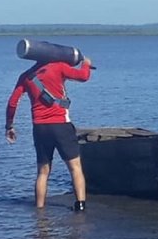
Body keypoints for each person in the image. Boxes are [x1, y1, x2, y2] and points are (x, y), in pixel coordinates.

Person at [5, 57, 92, 210]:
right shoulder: (59, 67)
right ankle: (80, 207)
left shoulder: (26, 76)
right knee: (75, 167)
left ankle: (39, 210)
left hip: (40, 128)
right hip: (61, 125)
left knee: (43, 172)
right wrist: (86, 64)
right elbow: (83, 77)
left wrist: (9, 126)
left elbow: (12, 102)